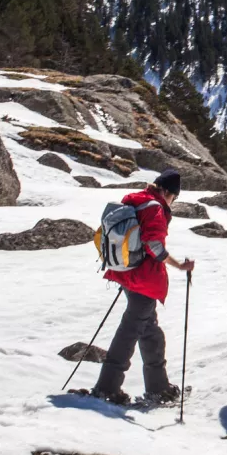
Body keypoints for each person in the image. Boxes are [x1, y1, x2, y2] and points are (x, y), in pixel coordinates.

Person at [92, 170, 195, 405]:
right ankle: (106, 388)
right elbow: (153, 244)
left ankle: (159, 387)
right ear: (168, 192)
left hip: (126, 271)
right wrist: (179, 265)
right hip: (143, 279)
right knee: (130, 331)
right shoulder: (154, 208)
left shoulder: (135, 199)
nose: (172, 202)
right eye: (174, 198)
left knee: (150, 333)